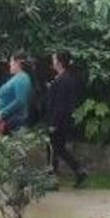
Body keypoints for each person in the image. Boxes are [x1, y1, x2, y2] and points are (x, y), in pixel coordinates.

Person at [47, 51, 87, 187]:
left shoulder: (64, 80)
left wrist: (53, 123)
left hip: (60, 121)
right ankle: (78, 171)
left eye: (54, 59)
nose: (52, 62)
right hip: (64, 119)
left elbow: (61, 104)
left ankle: (53, 179)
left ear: (59, 63)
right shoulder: (65, 78)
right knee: (58, 148)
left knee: (53, 148)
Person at [0, 51, 32, 133]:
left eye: (11, 61)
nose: (9, 64)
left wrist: (2, 114)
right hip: (7, 120)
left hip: (14, 121)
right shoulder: (16, 77)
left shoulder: (22, 78)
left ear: (18, 63)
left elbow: (20, 101)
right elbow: (3, 94)